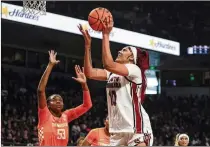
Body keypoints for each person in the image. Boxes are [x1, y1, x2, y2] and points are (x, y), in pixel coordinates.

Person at [78, 19, 153, 146]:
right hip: (117, 130)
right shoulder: (112, 73)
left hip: (136, 128)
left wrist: (106, 34)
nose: (119, 51)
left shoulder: (134, 70)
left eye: (124, 50)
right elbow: (89, 72)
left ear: (131, 58)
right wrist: (87, 46)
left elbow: (108, 64)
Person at [37, 50, 92, 146]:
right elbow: (40, 91)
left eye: (60, 100)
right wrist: (50, 65)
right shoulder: (45, 115)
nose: (58, 101)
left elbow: (87, 105)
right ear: (48, 104)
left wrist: (84, 85)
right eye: (54, 100)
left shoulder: (66, 115)